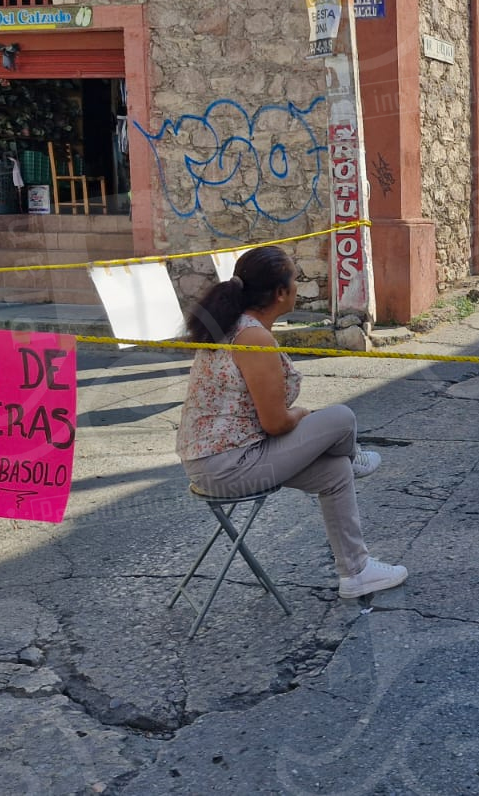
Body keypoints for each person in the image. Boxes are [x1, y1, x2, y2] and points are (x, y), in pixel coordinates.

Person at [175, 245, 408, 599]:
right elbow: (276, 424)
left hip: (218, 461)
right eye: (295, 280)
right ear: (281, 293)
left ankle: (356, 572)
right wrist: (303, 415)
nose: (299, 286)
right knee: (342, 418)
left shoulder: (235, 324)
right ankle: (352, 453)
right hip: (227, 467)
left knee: (334, 474)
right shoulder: (253, 337)